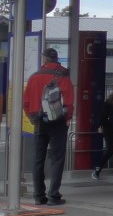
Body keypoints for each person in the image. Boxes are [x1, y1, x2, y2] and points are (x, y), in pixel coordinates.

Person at [22, 47, 75, 206]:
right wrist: (68, 117)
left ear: (44, 59)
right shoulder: (63, 75)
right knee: (57, 158)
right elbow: (69, 100)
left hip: (39, 121)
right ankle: (53, 196)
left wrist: (32, 118)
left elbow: (26, 102)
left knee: (38, 158)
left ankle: (39, 196)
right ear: (56, 58)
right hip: (57, 121)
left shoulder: (34, 77)